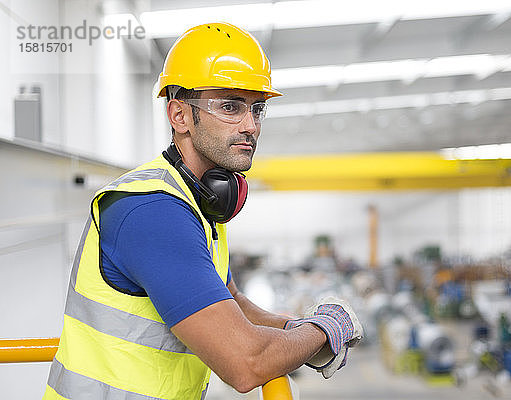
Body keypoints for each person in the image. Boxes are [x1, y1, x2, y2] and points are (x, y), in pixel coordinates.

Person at [43, 22, 362, 399]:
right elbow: (245, 364)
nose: (250, 126)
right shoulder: (152, 211)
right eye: (230, 106)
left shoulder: (199, 202)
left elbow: (234, 305)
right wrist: (324, 330)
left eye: (256, 109)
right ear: (179, 116)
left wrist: (293, 329)